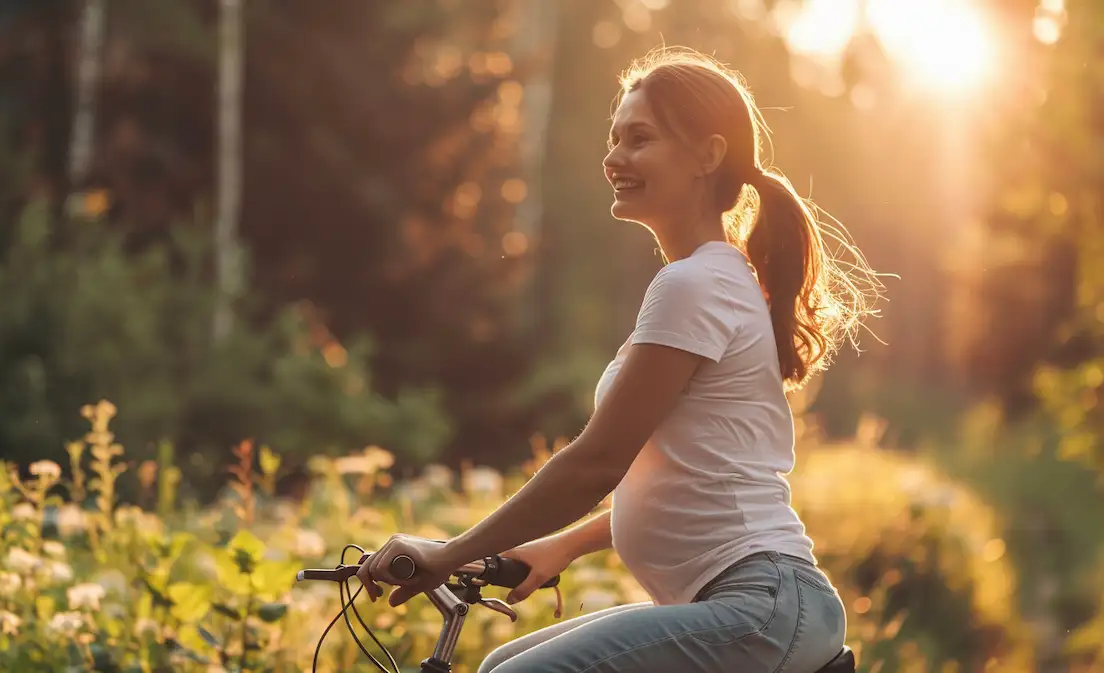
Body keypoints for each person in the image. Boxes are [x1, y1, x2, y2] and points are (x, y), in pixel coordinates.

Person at [357, 45, 880, 673]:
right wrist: (562, 545)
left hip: (764, 608)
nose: (613, 158)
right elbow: (690, 472)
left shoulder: (695, 284)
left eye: (639, 139)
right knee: (501, 664)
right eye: (613, 139)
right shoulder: (712, 280)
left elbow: (597, 461)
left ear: (707, 156)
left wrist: (447, 552)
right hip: (758, 605)